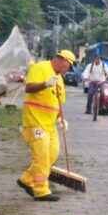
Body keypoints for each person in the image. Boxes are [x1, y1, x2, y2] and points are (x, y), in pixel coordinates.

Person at [17, 50, 76, 202]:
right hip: (35, 121)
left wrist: (61, 120)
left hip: (50, 125)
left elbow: (58, 103)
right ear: (62, 60)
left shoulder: (60, 80)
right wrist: (45, 84)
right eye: (69, 66)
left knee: (53, 154)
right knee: (42, 157)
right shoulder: (40, 68)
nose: (68, 69)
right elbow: (28, 88)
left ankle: (26, 179)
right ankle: (41, 191)